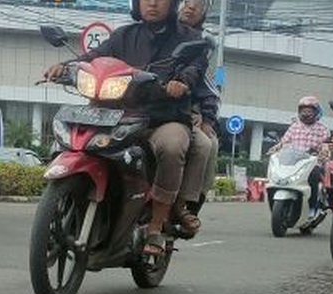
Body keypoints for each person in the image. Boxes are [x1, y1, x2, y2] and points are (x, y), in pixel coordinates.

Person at [44, 0, 207, 255]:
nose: (152, 3)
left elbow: (194, 68)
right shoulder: (123, 35)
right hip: (115, 116)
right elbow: (94, 58)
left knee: (172, 146)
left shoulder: (189, 39)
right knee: (77, 139)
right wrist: (66, 66)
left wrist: (181, 82)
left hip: (161, 118)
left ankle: (156, 226)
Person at [178, 0, 219, 227]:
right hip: (138, 102)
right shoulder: (138, 33)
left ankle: (186, 204)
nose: (190, 7)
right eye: (185, 2)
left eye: (197, 5)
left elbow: (208, 88)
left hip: (183, 108)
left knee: (207, 144)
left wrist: (207, 118)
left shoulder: (202, 44)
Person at [267, 96, 331, 219]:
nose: (306, 113)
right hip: (293, 162)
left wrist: (323, 153)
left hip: (312, 163)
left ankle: (312, 207)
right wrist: (274, 149)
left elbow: (326, 146)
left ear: (316, 112)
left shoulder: (323, 130)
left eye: (309, 111)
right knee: (276, 176)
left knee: (314, 176)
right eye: (303, 110)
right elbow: (284, 142)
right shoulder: (294, 127)